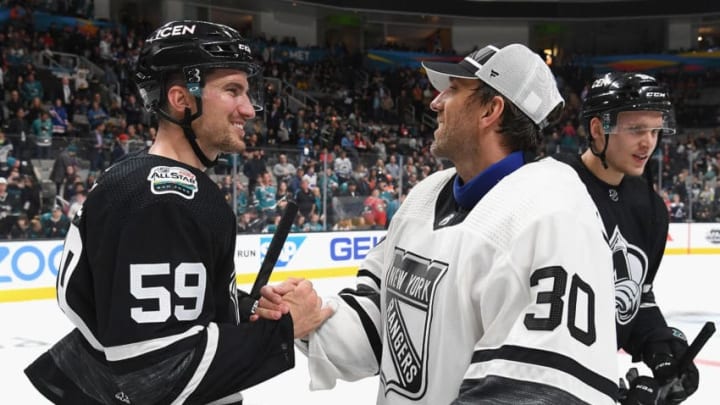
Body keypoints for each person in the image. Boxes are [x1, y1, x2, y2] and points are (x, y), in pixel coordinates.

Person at [260, 44, 619, 404]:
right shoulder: (424, 196)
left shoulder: (553, 215)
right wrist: (312, 320)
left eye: (454, 89)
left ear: (491, 110)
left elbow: (536, 390)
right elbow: (379, 327)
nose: (435, 102)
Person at [25, 20, 327, 405]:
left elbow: (152, 325)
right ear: (182, 99)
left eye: (248, 93)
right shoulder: (167, 200)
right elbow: (152, 375)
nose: (249, 109)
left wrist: (243, 309)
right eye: (232, 90)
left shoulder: (132, 178)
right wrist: (284, 330)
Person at [558, 72, 699, 404]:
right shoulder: (556, 189)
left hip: (601, 379)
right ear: (597, 129)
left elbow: (638, 295)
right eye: (636, 129)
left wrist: (660, 346)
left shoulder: (650, 208)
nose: (648, 142)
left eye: (654, 130)